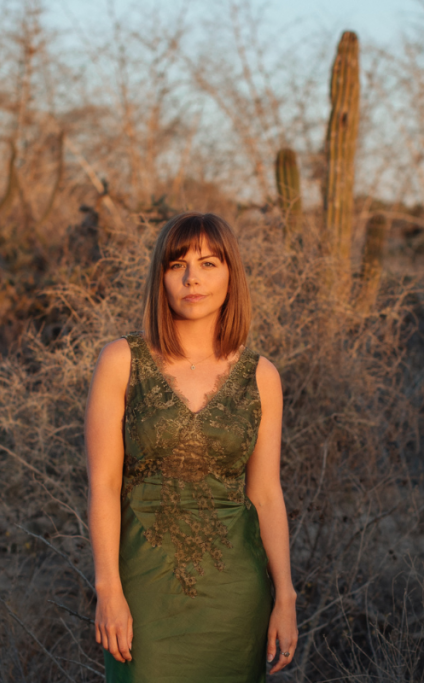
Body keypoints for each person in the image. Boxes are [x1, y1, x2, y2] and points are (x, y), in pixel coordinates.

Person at [85, 212, 298, 681]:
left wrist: (285, 596)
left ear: (231, 275)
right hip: (142, 588)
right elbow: (102, 485)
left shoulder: (262, 376)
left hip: (235, 595)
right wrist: (108, 589)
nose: (191, 278)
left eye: (208, 263)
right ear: (160, 277)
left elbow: (265, 494)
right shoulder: (121, 361)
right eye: (176, 263)